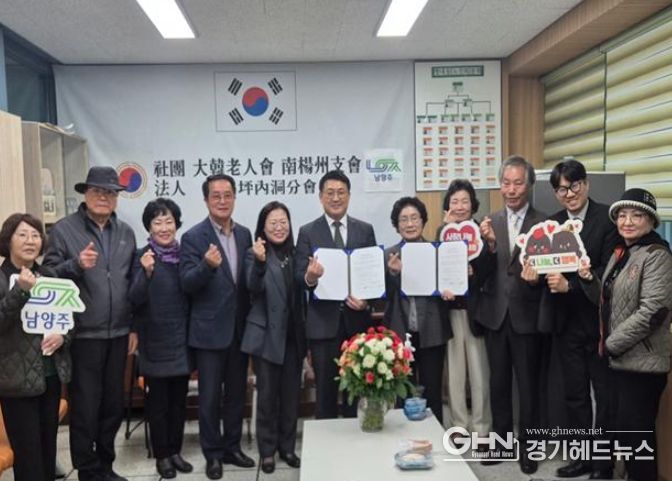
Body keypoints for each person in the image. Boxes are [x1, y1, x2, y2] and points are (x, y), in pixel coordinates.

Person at [43, 166, 136, 481]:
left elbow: (131, 282)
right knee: (85, 406)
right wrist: (76, 264)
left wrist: (133, 326)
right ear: (85, 193)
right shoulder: (64, 230)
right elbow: (47, 274)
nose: (104, 197)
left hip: (119, 332)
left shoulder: (125, 233)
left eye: (110, 192)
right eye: (97, 191)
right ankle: (87, 469)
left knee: (112, 405)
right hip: (82, 334)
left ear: (116, 198)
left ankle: (106, 465)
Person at [579, 188, 672, 481]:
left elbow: (653, 312)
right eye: (622, 215)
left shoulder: (657, 254)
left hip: (642, 365)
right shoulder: (622, 253)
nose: (627, 221)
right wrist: (588, 280)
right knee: (626, 438)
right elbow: (606, 301)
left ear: (651, 220)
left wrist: (610, 344)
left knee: (638, 441)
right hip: (619, 362)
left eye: (636, 215)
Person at [541, 159, 618, 479]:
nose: (569, 194)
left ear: (586, 184)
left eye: (574, 186)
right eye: (562, 189)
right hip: (565, 324)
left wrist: (570, 285)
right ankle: (581, 458)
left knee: (604, 396)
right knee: (574, 395)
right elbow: (544, 268)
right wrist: (534, 273)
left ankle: (603, 464)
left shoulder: (608, 219)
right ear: (556, 194)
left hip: (598, 324)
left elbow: (608, 272)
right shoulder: (552, 224)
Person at [179, 174, 254, 480]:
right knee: (209, 398)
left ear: (234, 197)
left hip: (239, 330)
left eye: (227, 195)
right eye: (216, 196)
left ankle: (232, 447)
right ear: (206, 200)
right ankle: (212, 454)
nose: (222, 201)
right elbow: (187, 283)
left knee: (236, 394)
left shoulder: (245, 234)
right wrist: (207, 266)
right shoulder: (193, 237)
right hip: (209, 333)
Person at [477, 155, 546, 475]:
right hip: (495, 314)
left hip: (527, 315)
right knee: (498, 383)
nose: (511, 189)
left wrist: (537, 278)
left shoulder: (544, 224)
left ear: (529, 185)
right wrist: (490, 246)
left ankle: (529, 448)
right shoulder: (488, 222)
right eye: (506, 183)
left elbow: (551, 271)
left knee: (529, 386)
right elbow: (480, 274)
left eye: (518, 183)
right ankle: (502, 443)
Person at [295, 170, 377, 419]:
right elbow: (299, 277)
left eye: (341, 192)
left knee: (357, 391)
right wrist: (311, 277)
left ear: (349, 195)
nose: (336, 198)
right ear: (321, 197)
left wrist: (366, 302)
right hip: (323, 326)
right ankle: (326, 443)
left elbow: (373, 275)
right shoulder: (308, 232)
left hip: (357, 325)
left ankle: (354, 440)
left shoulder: (365, 230)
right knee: (325, 395)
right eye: (330, 193)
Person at [0, 214, 71, 481]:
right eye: (22, 235)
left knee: (47, 449)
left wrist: (63, 336)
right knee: (28, 456)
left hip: (50, 375)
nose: (30, 241)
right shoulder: (2, 278)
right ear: (8, 241)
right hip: (16, 381)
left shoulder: (49, 276)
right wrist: (20, 291)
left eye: (36, 235)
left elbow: (70, 319)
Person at [128, 198, 193, 479]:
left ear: (176, 224)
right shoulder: (142, 256)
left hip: (182, 339)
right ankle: (162, 455)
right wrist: (146, 272)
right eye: (158, 222)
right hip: (154, 339)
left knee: (179, 401)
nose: (164, 228)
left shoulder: (185, 255)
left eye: (169, 221)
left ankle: (176, 451)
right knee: (158, 404)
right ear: (149, 227)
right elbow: (133, 298)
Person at [241, 201, 306, 474]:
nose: (279, 228)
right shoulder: (254, 253)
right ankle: (267, 451)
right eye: (273, 223)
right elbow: (252, 287)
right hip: (266, 336)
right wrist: (258, 263)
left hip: (293, 336)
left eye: (283, 222)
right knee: (267, 397)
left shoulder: (296, 253)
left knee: (291, 396)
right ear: (263, 227)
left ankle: (287, 448)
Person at [384, 196, 452, 425]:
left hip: (433, 330)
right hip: (401, 333)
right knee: (403, 391)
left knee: (433, 390)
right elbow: (383, 295)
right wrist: (394, 274)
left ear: (423, 221)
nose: (410, 224)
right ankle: (403, 436)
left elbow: (448, 285)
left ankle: (436, 435)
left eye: (414, 218)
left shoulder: (437, 251)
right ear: (397, 225)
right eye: (403, 219)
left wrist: (450, 289)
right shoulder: (389, 254)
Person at [438, 180, 491, 438]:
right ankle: (459, 426)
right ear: (448, 206)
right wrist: (446, 233)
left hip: (476, 312)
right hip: (450, 310)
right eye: (454, 201)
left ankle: (482, 428)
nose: (459, 207)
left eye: (464, 201)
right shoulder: (442, 233)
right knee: (455, 373)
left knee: (480, 373)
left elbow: (490, 270)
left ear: (473, 205)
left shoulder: (483, 233)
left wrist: (474, 272)